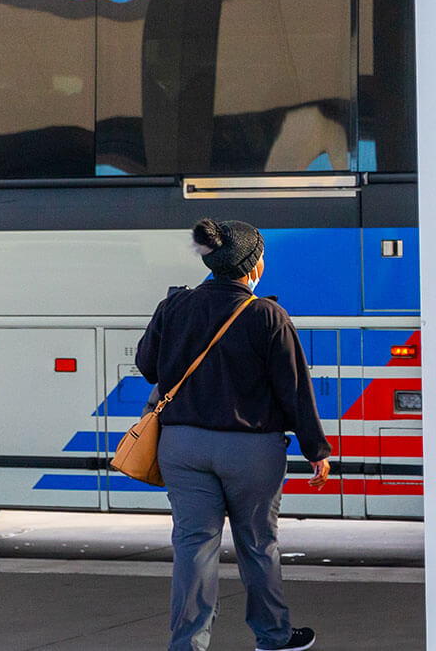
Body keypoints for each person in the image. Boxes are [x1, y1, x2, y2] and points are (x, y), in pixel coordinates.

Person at [138, 219, 331, 651]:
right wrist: (316, 450)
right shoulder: (268, 316)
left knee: (193, 546)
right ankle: (273, 636)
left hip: (183, 447)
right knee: (258, 544)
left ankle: (187, 644)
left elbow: (148, 366)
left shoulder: (174, 307)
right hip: (251, 451)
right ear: (253, 266)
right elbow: (295, 389)